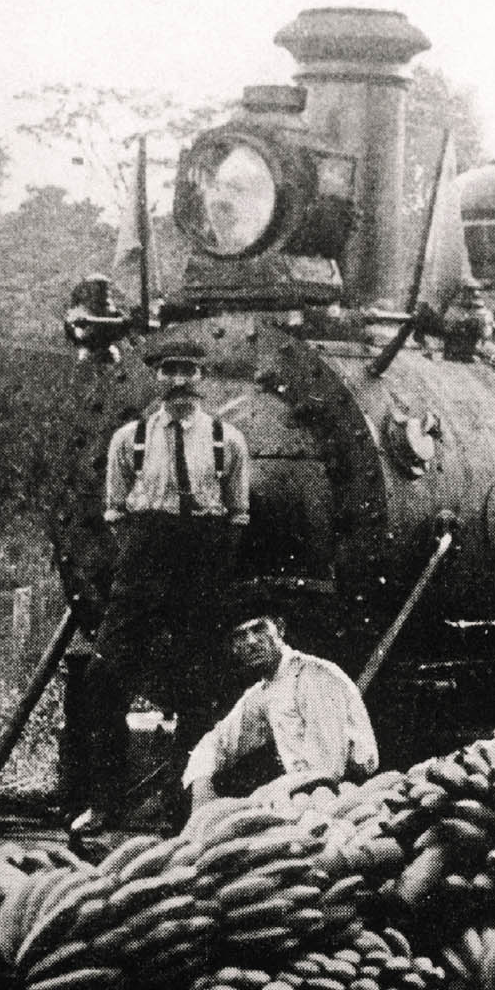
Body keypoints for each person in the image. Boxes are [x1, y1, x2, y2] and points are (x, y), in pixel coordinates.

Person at [85, 337, 250, 820]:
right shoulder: (128, 439)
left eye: (189, 371)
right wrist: (139, 561)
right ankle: (106, 802)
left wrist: (210, 566)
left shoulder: (229, 441)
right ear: (156, 377)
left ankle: (185, 806)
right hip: (143, 558)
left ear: (203, 378)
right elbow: (115, 512)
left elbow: (239, 515)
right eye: (169, 371)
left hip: (202, 560)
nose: (179, 381)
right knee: (104, 677)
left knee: (200, 684)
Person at [183, 614, 377, 814]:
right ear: (234, 648)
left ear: (280, 629)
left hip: (348, 800)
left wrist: (266, 794)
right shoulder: (264, 691)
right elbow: (217, 741)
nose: (251, 642)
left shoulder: (315, 675)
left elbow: (327, 769)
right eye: (240, 636)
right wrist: (202, 788)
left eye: (259, 629)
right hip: (305, 796)